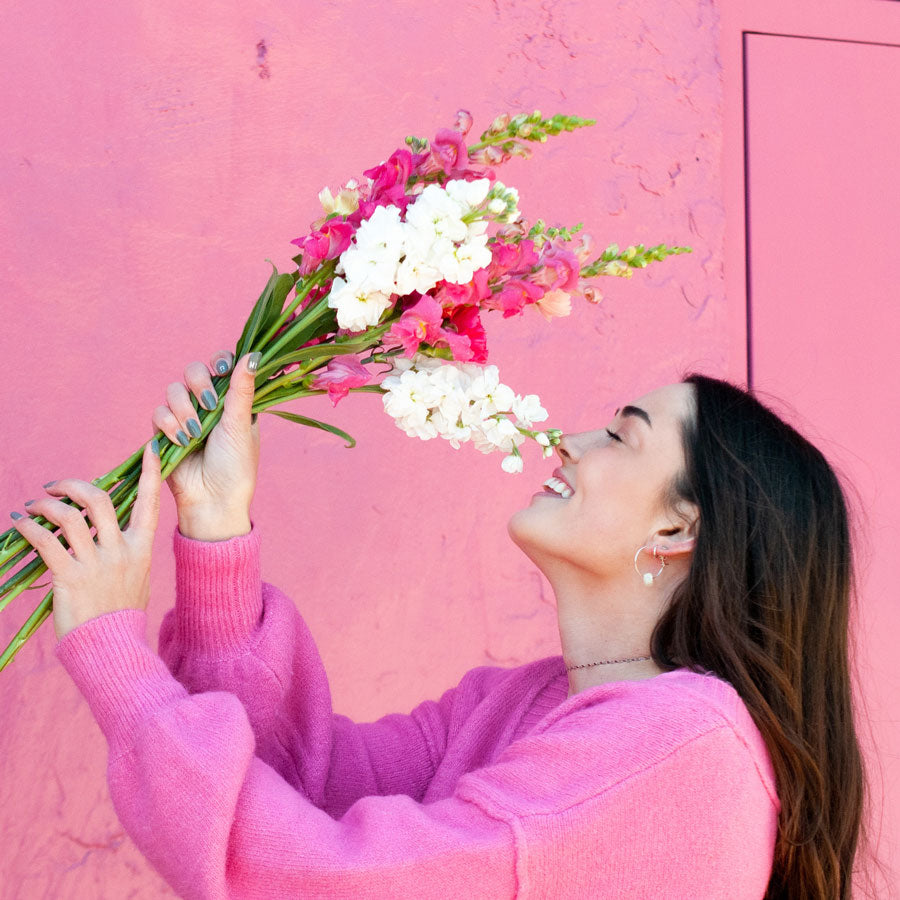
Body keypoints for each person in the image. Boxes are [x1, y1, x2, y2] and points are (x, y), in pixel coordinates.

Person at [10, 350, 876, 899]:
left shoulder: (679, 749)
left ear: (678, 528)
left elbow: (316, 882)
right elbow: (308, 785)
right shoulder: (521, 704)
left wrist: (116, 656)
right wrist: (217, 528)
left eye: (620, 435)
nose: (569, 442)